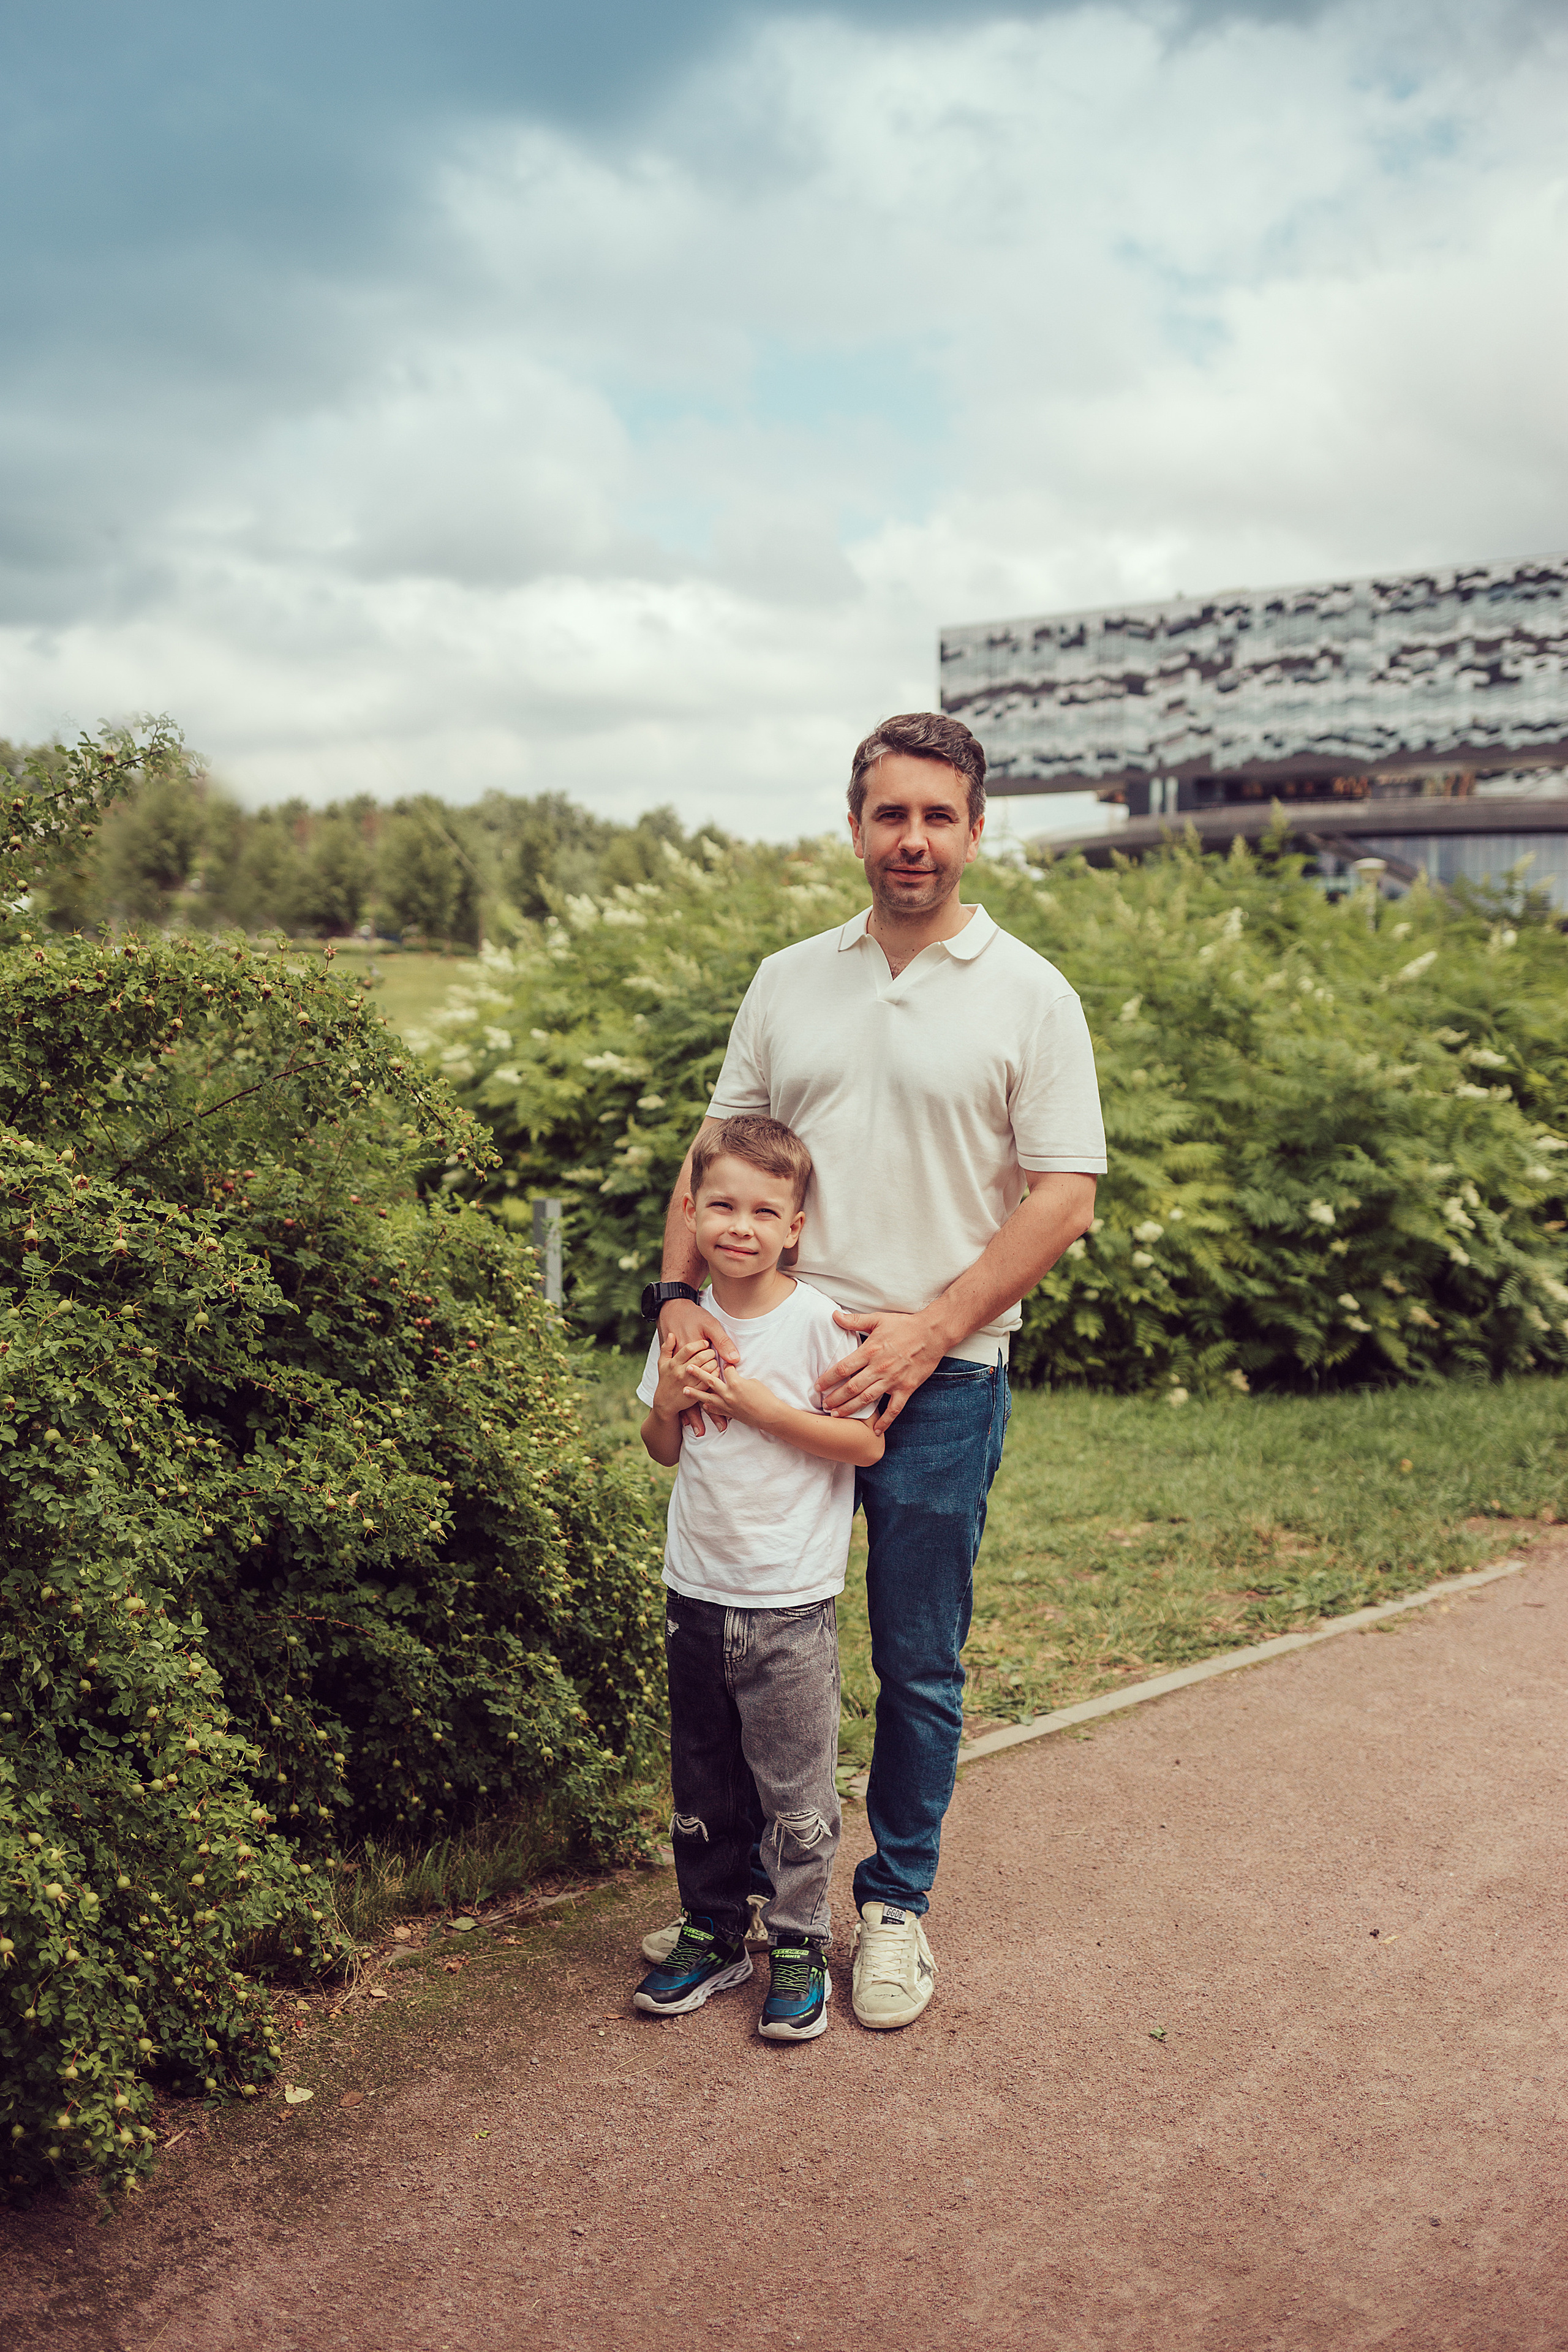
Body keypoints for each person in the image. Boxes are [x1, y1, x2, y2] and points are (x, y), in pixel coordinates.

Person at [644, 711, 1105, 2030]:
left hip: (938, 1383)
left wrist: (926, 1327)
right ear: (853, 826)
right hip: (769, 1368)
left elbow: (1061, 1197)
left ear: (974, 829)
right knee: (738, 1644)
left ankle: (891, 1906)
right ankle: (724, 1911)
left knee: (916, 1661)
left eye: (937, 816)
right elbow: (710, 1153)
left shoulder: (1030, 992)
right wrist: (678, 1301)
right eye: (888, 813)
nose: (911, 839)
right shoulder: (789, 978)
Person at [632, 1114, 883, 2042]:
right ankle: (712, 1929)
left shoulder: (816, 1322)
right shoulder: (683, 1325)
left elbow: (864, 1440)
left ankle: (799, 1942)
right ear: (691, 1212)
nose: (739, 1226)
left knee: (794, 1790)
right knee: (701, 1780)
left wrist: (763, 1408)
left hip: (787, 1603)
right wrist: (668, 1399)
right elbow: (663, 1452)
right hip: (694, 1592)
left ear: (795, 1227)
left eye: (763, 1210)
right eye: (721, 1205)